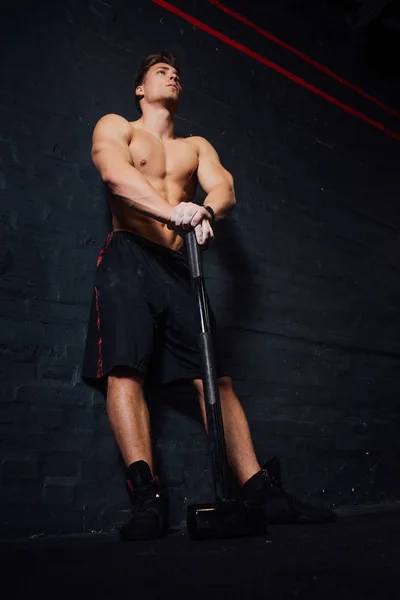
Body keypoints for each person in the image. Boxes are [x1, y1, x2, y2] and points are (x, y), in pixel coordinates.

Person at [82, 51, 336, 540]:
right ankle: (146, 499)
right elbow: (114, 175)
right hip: (127, 256)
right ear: (140, 88)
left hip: (181, 267)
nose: (172, 74)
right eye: (160, 70)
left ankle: (259, 490)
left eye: (176, 71)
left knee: (214, 378)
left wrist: (206, 213)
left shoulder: (195, 146)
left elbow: (224, 188)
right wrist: (171, 211)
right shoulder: (118, 126)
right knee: (124, 369)